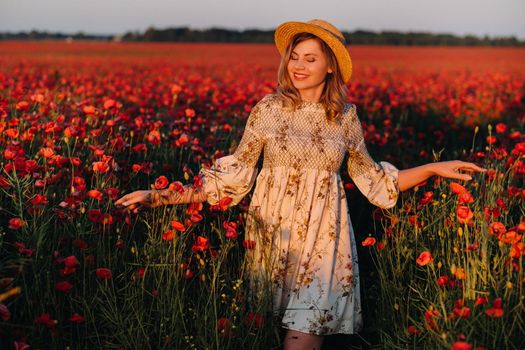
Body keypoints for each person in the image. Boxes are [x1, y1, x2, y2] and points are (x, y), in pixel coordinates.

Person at [115, 19, 486, 350]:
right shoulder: (268, 109)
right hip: (273, 238)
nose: (299, 65)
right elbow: (234, 176)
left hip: (324, 246)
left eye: (310, 58)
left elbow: (376, 182)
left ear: (330, 67)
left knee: (302, 335)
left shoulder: (345, 118)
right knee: (264, 333)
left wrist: (434, 167)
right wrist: (160, 197)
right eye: (295, 56)